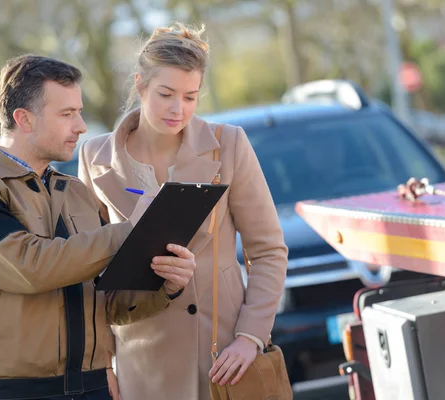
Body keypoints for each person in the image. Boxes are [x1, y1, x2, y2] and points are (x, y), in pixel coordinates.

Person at [0, 54, 196, 400]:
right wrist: (129, 231)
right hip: (13, 393)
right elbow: (29, 267)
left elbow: (110, 303)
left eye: (79, 112)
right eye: (67, 114)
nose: (81, 126)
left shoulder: (76, 193)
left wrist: (166, 283)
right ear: (23, 119)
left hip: (95, 388)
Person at [78, 23, 288, 399]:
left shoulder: (229, 145)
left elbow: (268, 250)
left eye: (190, 97)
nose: (179, 109)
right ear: (140, 84)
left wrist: (250, 337)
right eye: (166, 94)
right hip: (141, 360)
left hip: (223, 357)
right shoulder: (94, 157)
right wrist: (99, 365)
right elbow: (89, 270)